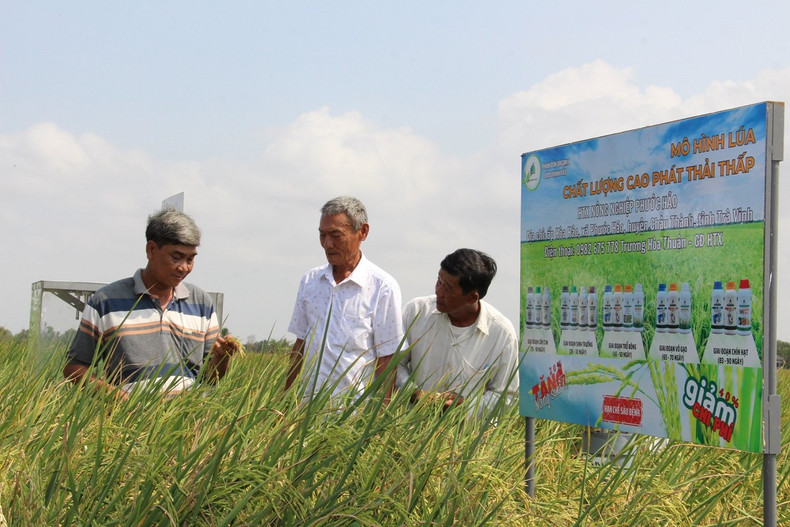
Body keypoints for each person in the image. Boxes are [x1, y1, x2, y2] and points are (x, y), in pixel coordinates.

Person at [64, 209, 239, 399]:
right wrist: (118, 398)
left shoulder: (201, 303)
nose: (184, 267)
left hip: (188, 416)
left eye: (190, 259)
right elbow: (74, 368)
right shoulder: (106, 301)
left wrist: (222, 359)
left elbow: (210, 379)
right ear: (151, 250)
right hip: (128, 416)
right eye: (176, 257)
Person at [285, 196, 405, 403]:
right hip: (306, 409)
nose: (327, 244)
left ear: (363, 232)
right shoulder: (310, 281)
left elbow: (387, 358)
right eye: (322, 235)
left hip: (353, 412)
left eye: (336, 235)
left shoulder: (382, 287)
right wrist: (284, 403)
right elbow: (300, 346)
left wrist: (380, 415)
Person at [396, 248, 519, 420]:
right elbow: (393, 365)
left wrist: (466, 407)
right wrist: (414, 393)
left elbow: (506, 396)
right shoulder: (416, 312)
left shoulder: (502, 334)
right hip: (411, 427)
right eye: (439, 281)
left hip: (467, 434)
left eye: (448, 288)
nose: (438, 291)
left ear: (472, 297)